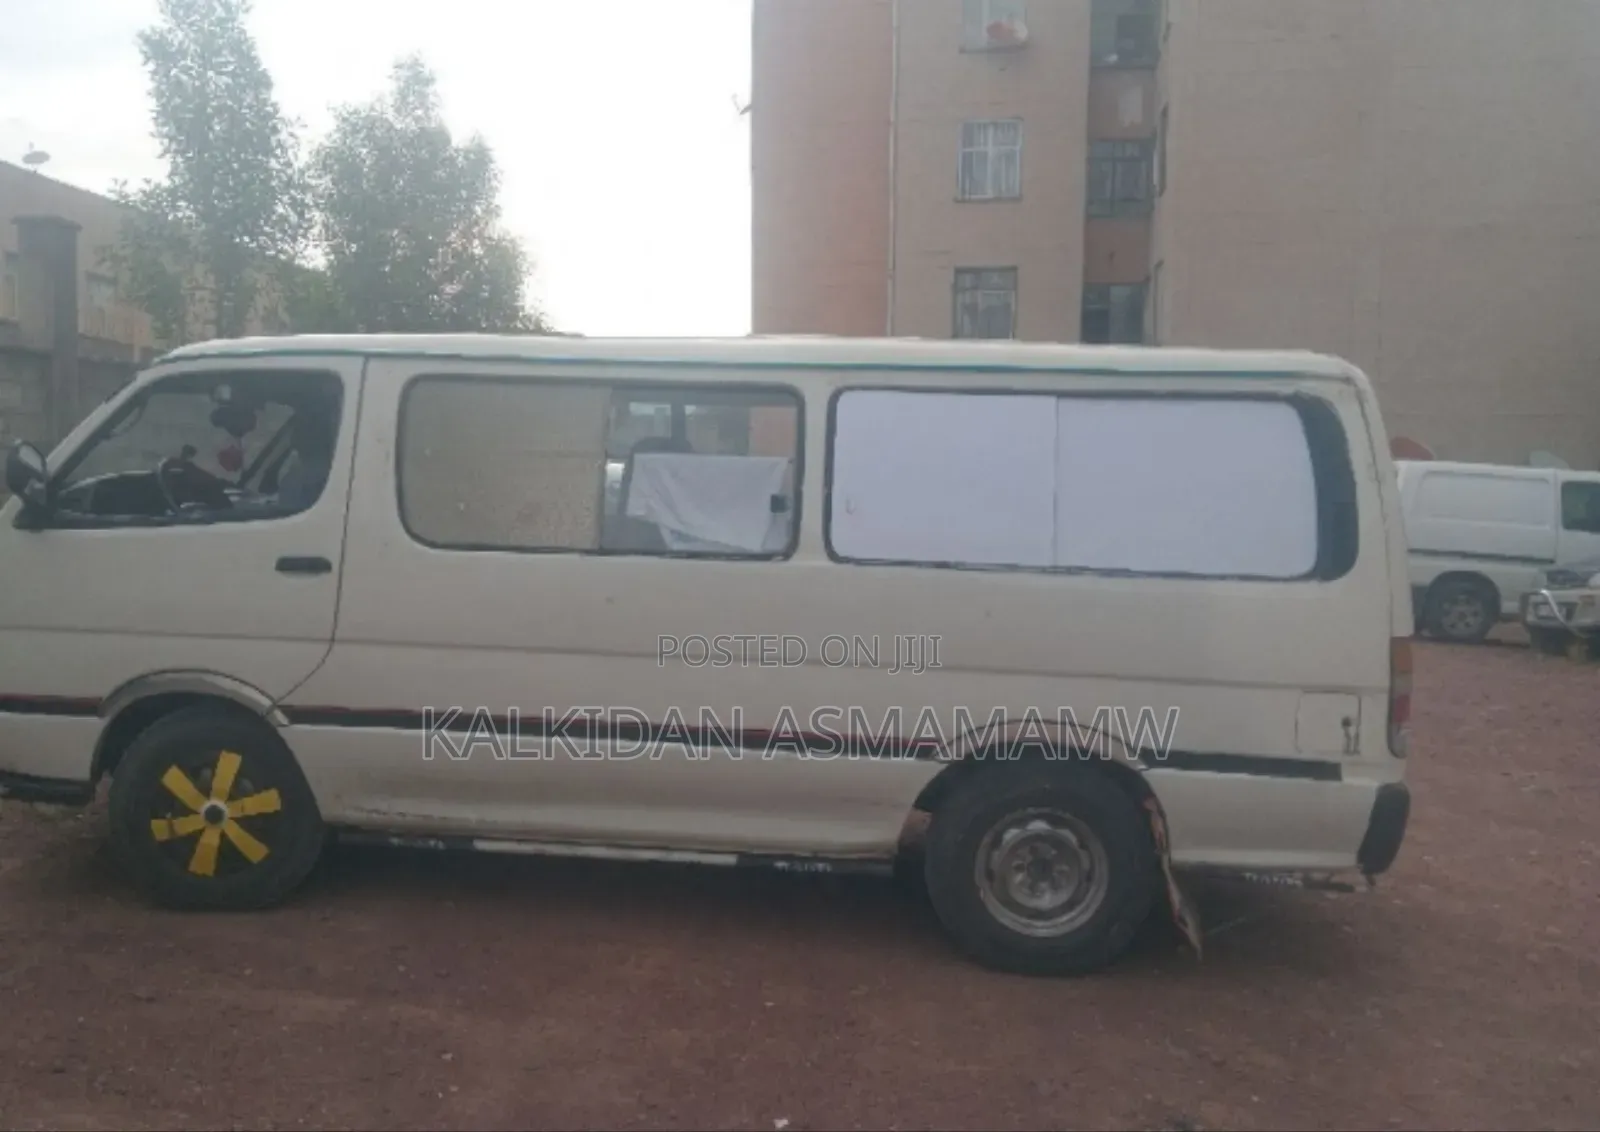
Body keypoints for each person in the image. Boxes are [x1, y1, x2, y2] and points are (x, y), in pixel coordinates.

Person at [273, 412, 335, 512]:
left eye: (298, 431)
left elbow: (286, 511)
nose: (293, 438)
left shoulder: (309, 479)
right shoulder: (328, 470)